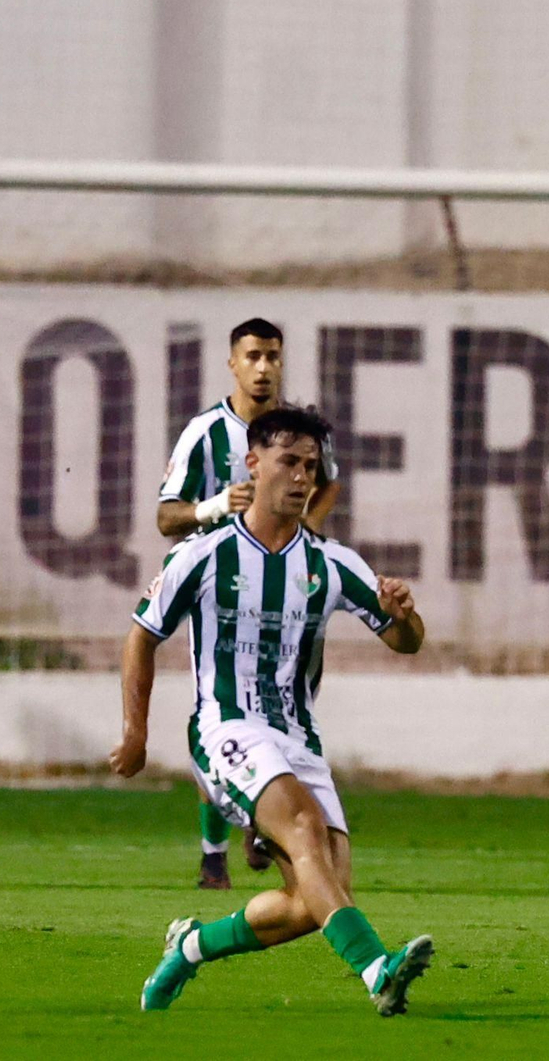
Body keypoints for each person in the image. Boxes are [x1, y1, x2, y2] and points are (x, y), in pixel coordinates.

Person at [113, 406, 432, 1016]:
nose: (302, 477)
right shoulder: (202, 554)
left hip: (298, 740)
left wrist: (405, 612)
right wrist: (135, 733)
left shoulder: (332, 563)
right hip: (225, 727)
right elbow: (141, 634)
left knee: (315, 899)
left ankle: (190, 949)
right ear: (253, 465)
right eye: (290, 462)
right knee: (306, 833)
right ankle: (376, 972)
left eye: (311, 466)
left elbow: (405, 641)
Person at [157, 317, 339, 889]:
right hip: (222, 585)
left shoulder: (299, 434)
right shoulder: (205, 432)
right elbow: (167, 517)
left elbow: (330, 480)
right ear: (232, 363)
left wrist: (303, 529)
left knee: (292, 694)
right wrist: (212, 509)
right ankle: (216, 851)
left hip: (287, 581)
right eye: (253, 356)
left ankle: (266, 816)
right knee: (225, 704)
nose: (264, 368)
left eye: (274, 357)